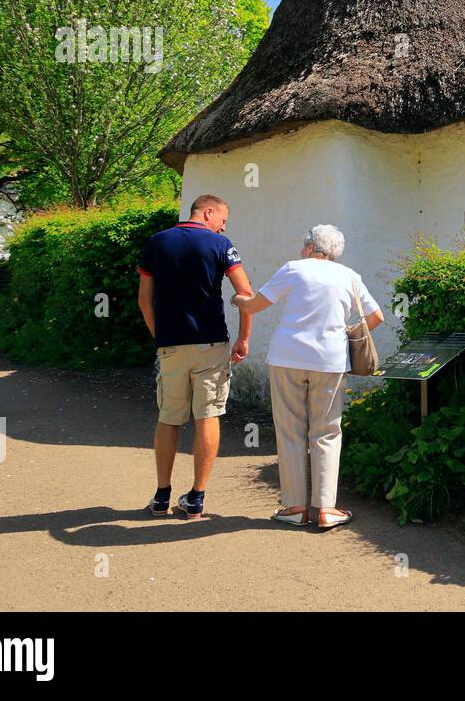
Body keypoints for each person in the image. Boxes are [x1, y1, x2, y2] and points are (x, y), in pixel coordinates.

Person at [231, 224, 383, 529]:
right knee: (327, 431)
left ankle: (295, 508)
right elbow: (376, 317)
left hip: (288, 357)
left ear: (311, 246)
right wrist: (344, 333)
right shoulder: (350, 276)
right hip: (330, 360)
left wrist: (238, 301)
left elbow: (256, 305)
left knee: (290, 431)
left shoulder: (294, 269)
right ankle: (326, 509)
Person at [137, 194, 253, 519]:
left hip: (172, 344)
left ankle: (161, 496)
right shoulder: (221, 245)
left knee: (169, 416)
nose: (223, 227)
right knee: (208, 415)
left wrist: (159, 336)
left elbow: (144, 299)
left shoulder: (157, 243)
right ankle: (197, 498)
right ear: (208, 212)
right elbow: (245, 294)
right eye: (222, 220)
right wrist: (243, 338)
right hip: (211, 342)